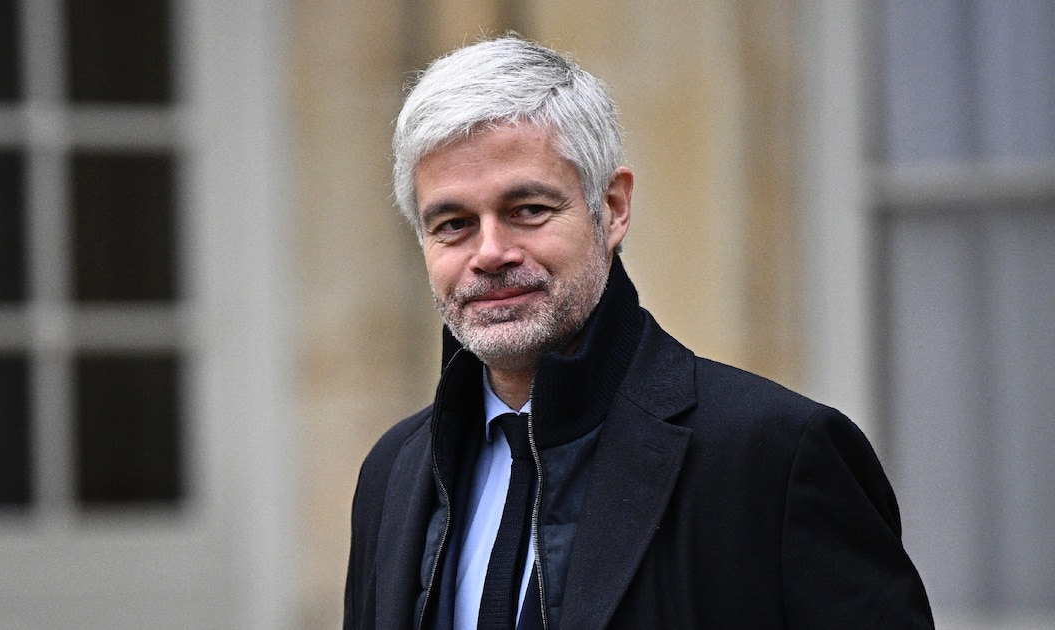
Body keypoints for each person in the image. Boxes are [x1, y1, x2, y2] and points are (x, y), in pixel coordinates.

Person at [344, 36, 933, 630]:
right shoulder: (394, 471)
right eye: (454, 224)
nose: (490, 252)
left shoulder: (778, 456)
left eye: (528, 210)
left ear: (614, 207)